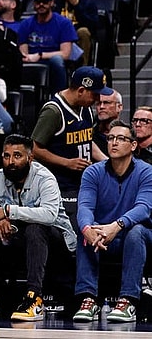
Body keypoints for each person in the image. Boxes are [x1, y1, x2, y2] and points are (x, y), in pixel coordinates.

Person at [0, 134, 76, 320]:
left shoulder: (44, 178)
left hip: (56, 242)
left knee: (35, 227)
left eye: (17, 156)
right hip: (16, 240)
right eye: (6, 156)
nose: (11, 162)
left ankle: (34, 298)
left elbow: (49, 214)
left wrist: (7, 211)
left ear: (29, 158)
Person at [73, 120, 152, 323]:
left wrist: (117, 225)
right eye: (110, 138)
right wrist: (87, 228)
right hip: (104, 237)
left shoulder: (146, 172)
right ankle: (88, 298)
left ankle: (128, 300)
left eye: (121, 138)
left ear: (133, 145)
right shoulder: (93, 172)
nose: (113, 143)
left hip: (138, 237)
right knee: (86, 232)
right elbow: (84, 207)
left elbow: (144, 208)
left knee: (137, 231)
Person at [31, 66, 110, 229]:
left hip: (84, 183)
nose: (97, 100)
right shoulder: (53, 111)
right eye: (94, 94)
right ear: (81, 90)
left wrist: (105, 160)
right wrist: (67, 163)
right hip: (60, 186)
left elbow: (86, 140)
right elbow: (35, 149)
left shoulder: (86, 109)